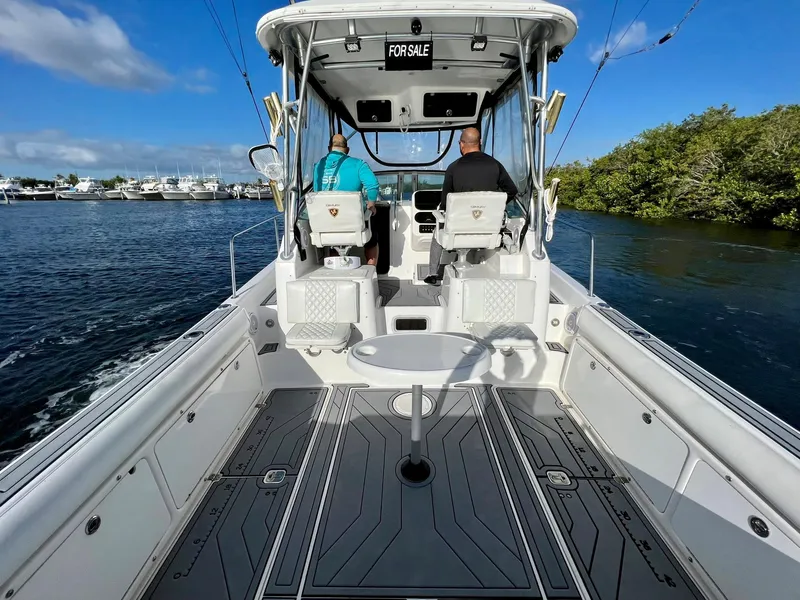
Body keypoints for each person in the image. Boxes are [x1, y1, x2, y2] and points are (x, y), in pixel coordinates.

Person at [424, 127, 518, 284]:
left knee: (437, 232)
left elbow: (446, 203)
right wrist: (494, 208)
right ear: (479, 142)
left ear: (461, 144)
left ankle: (432, 273)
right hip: (488, 232)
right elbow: (512, 190)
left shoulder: (453, 167)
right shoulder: (495, 165)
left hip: (458, 232)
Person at [312, 134, 380, 265]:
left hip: (327, 224)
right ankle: (371, 269)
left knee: (333, 239)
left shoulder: (318, 167)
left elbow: (317, 193)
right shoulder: (358, 164)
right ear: (347, 150)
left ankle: (335, 261)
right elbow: (373, 186)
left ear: (329, 148)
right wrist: (371, 205)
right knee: (372, 236)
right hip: (354, 223)